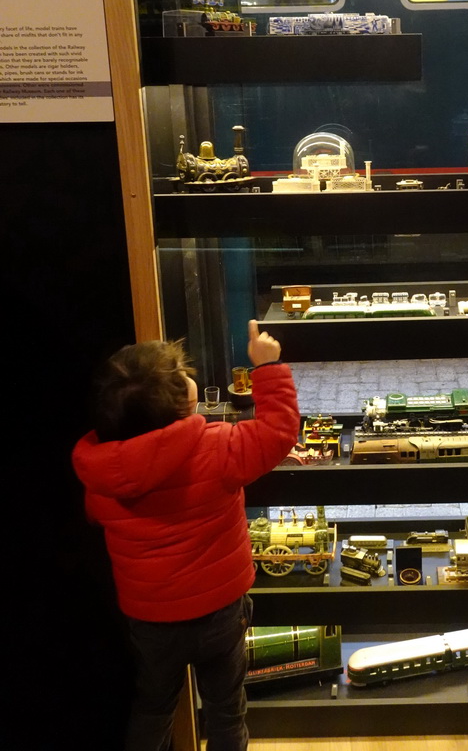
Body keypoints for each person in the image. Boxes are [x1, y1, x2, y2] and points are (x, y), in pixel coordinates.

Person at [71, 320, 299, 751]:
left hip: (151, 619)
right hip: (219, 609)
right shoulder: (217, 447)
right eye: (180, 380)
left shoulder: (101, 476)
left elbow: (96, 516)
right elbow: (278, 433)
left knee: (153, 708)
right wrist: (268, 369)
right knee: (226, 709)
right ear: (182, 407)